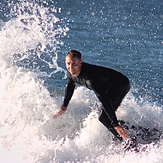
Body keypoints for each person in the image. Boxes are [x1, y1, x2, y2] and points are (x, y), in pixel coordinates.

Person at [53, 50, 131, 141]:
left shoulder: (91, 80)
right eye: (68, 63)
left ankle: (128, 142)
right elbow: (70, 85)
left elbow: (105, 101)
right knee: (105, 117)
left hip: (120, 84)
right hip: (108, 86)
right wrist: (64, 106)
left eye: (74, 64)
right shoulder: (71, 72)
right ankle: (133, 130)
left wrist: (116, 125)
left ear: (80, 63)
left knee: (104, 118)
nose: (71, 67)